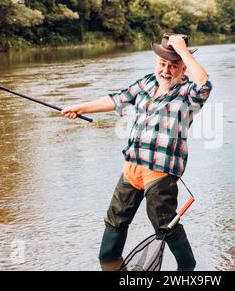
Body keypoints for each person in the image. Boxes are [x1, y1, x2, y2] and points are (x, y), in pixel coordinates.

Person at [61, 33, 212, 270]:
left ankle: (187, 267)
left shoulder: (188, 94)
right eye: (162, 64)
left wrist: (183, 50)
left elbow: (204, 83)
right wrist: (80, 107)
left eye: (173, 66)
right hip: (132, 167)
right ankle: (109, 262)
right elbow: (116, 99)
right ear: (156, 63)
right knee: (115, 220)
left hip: (160, 174)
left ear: (183, 69)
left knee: (164, 225)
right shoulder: (146, 83)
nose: (166, 70)